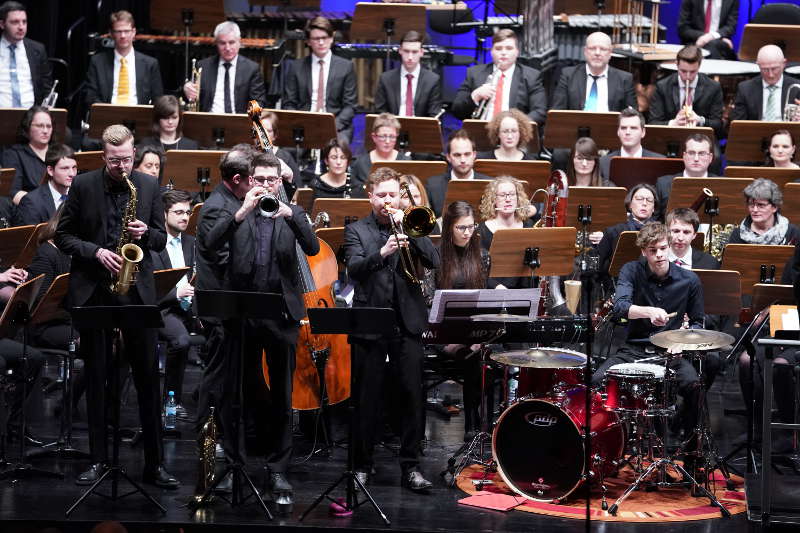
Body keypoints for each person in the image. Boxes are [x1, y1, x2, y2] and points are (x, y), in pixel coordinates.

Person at [54, 124, 179, 489]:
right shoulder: (82, 185)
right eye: (113, 161)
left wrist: (145, 233)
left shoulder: (150, 186)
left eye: (126, 159)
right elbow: (63, 236)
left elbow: (160, 239)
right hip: (95, 290)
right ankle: (97, 460)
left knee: (145, 380)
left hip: (136, 292)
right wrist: (95, 251)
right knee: (96, 377)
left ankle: (154, 464)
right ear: (102, 156)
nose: (121, 166)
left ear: (133, 152)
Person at [204, 151, 319, 507]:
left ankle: (277, 468)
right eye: (261, 179)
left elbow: (313, 247)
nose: (267, 185)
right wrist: (241, 213)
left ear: (281, 182)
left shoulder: (293, 213)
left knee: (282, 396)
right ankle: (236, 462)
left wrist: (291, 214)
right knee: (237, 392)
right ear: (250, 180)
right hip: (243, 312)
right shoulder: (234, 211)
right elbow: (209, 245)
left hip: (280, 313)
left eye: (273, 180)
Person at [343, 166, 439, 492]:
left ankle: (411, 468)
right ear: (370, 196)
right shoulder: (357, 230)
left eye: (392, 194)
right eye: (381, 195)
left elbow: (434, 261)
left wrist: (410, 232)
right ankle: (361, 466)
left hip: (407, 322)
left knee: (413, 397)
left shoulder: (411, 223)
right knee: (366, 398)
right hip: (371, 322)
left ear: (400, 195)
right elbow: (354, 270)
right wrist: (383, 252)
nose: (387, 200)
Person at [592, 222, 704, 460]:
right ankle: (606, 447)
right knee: (597, 380)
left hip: (669, 354)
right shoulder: (631, 270)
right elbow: (620, 307)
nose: (659, 255)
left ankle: (692, 451)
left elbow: (697, 323)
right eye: (653, 251)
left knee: (694, 385)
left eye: (663, 248)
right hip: (634, 349)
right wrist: (648, 311)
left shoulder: (690, 280)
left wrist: (682, 343)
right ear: (644, 251)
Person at [194, 144, 254, 450]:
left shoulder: (230, 198)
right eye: (251, 179)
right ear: (235, 178)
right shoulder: (220, 206)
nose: (255, 184)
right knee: (216, 371)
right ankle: (206, 433)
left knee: (225, 370)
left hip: (226, 302)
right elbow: (221, 256)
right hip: (218, 303)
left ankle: (217, 431)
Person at [428, 201, 489, 440]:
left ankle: (475, 424)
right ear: (449, 228)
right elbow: (428, 302)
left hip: (470, 330)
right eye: (461, 228)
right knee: (471, 357)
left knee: (476, 353)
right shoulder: (434, 255)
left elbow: (483, 300)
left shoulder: (482, 255)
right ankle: (471, 425)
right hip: (440, 330)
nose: (467, 233)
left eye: (470, 227)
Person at [151, 189, 195, 421]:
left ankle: (205, 395)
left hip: (191, 309)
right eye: (178, 212)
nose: (185, 217)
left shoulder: (192, 242)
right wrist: (176, 293)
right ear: (164, 214)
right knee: (181, 341)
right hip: (162, 309)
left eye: (188, 212)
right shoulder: (153, 243)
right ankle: (172, 401)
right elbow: (149, 288)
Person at [283, 16, 357, 141]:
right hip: (303, 126)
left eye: (325, 37)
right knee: (288, 153)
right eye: (316, 38)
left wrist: (333, 126)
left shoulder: (346, 67)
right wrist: (302, 124)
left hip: (336, 125)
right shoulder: (295, 67)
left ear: (332, 38)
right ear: (308, 41)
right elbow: (289, 104)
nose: (321, 42)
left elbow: (350, 107)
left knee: (338, 151)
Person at [451, 29, 546, 125]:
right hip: (481, 130)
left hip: (515, 133)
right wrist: (475, 96)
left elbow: (539, 112)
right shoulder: (474, 73)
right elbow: (457, 111)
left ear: (517, 52)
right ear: (491, 51)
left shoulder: (531, 76)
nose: (503, 53)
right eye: (498, 48)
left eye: (509, 48)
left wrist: (516, 126)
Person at [182, 21, 266, 114]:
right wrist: (186, 89)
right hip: (208, 120)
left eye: (232, 42)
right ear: (216, 43)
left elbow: (258, 102)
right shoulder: (203, 66)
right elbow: (190, 99)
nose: (228, 48)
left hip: (239, 122)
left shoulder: (251, 69)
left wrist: (246, 123)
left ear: (239, 41)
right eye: (222, 43)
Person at [85, 10, 163, 107]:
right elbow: (91, 97)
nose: (123, 36)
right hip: (107, 116)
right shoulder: (97, 62)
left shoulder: (150, 64)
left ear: (133, 32)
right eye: (118, 31)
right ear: (111, 33)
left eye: (126, 31)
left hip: (140, 117)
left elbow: (158, 99)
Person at [648, 45, 725, 140]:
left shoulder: (713, 87)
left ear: (699, 66)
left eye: (693, 72)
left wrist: (700, 120)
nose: (688, 76)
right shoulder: (662, 86)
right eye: (683, 71)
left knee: (715, 155)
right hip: (671, 136)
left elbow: (718, 125)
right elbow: (653, 123)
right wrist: (673, 123)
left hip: (702, 138)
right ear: (677, 64)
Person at [551, 32, 637, 112]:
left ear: (610, 53)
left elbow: (633, 116)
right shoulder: (568, 75)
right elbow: (557, 112)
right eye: (592, 48)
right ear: (585, 51)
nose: (597, 53)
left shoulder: (624, 79)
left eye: (603, 49)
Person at [478, 176, 537, 289]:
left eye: (511, 194)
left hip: (526, 291)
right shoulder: (482, 231)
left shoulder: (529, 226)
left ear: (518, 198)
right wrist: (496, 286)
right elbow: (479, 270)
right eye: (502, 195)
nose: (508, 199)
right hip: (494, 291)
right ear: (493, 200)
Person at [374, 30, 442, 118]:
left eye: (414, 52)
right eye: (406, 51)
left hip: (420, 129)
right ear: (400, 51)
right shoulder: (386, 79)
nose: (410, 57)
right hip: (392, 129)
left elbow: (434, 115)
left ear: (421, 52)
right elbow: (380, 113)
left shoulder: (432, 80)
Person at [425, 130, 491, 217]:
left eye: (467, 154)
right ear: (448, 157)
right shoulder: (432, 185)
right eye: (457, 155)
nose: (463, 160)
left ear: (474, 155)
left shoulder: (490, 184)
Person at [597, 183, 659, 274]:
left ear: (654, 208)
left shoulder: (661, 231)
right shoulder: (613, 232)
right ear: (630, 204)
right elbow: (599, 266)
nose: (644, 203)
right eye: (639, 199)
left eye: (649, 200)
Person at [0, 1, 53, 108]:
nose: (21, 27)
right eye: (15, 22)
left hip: (31, 117)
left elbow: (47, 88)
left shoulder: (37, 49)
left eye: (24, 22)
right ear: (2, 24)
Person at [654, 133, 718, 220]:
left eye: (701, 153)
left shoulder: (722, 184)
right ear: (684, 156)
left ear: (710, 157)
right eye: (691, 153)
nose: (696, 158)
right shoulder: (663, 184)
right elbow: (655, 221)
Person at [731, 45, 800, 122]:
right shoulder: (745, 88)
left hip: (789, 133)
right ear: (758, 65)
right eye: (765, 69)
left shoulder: (797, 87)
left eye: (774, 69)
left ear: (784, 63)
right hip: (755, 132)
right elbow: (738, 123)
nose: (771, 75)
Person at [13, 143, 75, 226]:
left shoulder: (80, 194)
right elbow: (31, 238)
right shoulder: (31, 202)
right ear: (50, 171)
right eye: (65, 168)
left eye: (74, 167)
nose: (72, 173)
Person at [598, 107, 664, 182]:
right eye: (623, 128)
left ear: (643, 132)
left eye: (633, 128)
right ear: (618, 132)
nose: (628, 132)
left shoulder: (659, 162)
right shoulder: (604, 163)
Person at [727, 178, 800, 246]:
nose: (755, 210)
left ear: (774, 207)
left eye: (761, 205)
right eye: (751, 204)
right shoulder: (737, 234)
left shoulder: (792, 233)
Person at [4, 105, 52, 204]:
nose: (45, 131)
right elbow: (14, 192)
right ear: (27, 127)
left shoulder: (60, 152)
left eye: (49, 126)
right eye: (39, 126)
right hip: (31, 209)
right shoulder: (13, 154)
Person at [350, 113, 410, 186]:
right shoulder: (360, 163)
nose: (387, 141)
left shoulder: (406, 161)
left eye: (392, 136)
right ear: (374, 137)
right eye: (383, 136)